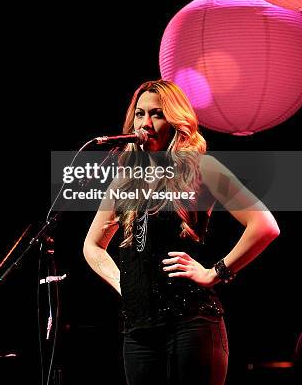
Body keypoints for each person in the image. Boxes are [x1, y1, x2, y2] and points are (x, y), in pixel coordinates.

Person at [83, 79, 280, 385]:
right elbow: (93, 246)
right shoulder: (124, 180)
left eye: (157, 114)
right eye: (139, 114)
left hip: (191, 324)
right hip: (138, 331)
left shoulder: (203, 168)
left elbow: (265, 226)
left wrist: (215, 273)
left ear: (176, 121)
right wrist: (121, 282)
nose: (145, 123)